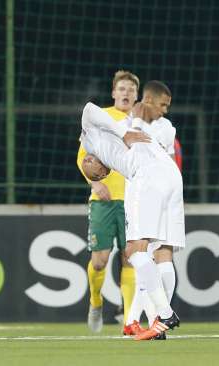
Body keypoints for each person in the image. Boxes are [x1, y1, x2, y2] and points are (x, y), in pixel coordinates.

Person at [80, 101, 182, 341]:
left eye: (90, 167)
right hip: (170, 176)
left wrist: (125, 132)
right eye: (94, 175)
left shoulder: (92, 134)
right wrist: (127, 128)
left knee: (134, 251)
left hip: (146, 176)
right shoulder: (135, 127)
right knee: (162, 251)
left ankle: (163, 314)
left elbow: (88, 109)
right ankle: (151, 320)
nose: (90, 168)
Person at [76, 70, 139, 332]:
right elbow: (83, 157)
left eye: (131, 90)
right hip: (103, 201)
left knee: (130, 258)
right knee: (100, 260)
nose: (126, 93)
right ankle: (95, 300)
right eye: (121, 89)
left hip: (134, 202)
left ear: (137, 95)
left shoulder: (140, 122)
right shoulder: (100, 117)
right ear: (113, 92)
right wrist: (95, 182)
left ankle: (128, 319)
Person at [122, 81, 179, 338]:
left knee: (143, 252)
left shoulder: (163, 127)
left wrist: (134, 121)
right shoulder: (133, 122)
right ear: (149, 100)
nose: (165, 110)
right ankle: (141, 320)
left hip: (150, 194)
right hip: (162, 191)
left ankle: (160, 318)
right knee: (159, 256)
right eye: (163, 104)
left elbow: (138, 145)